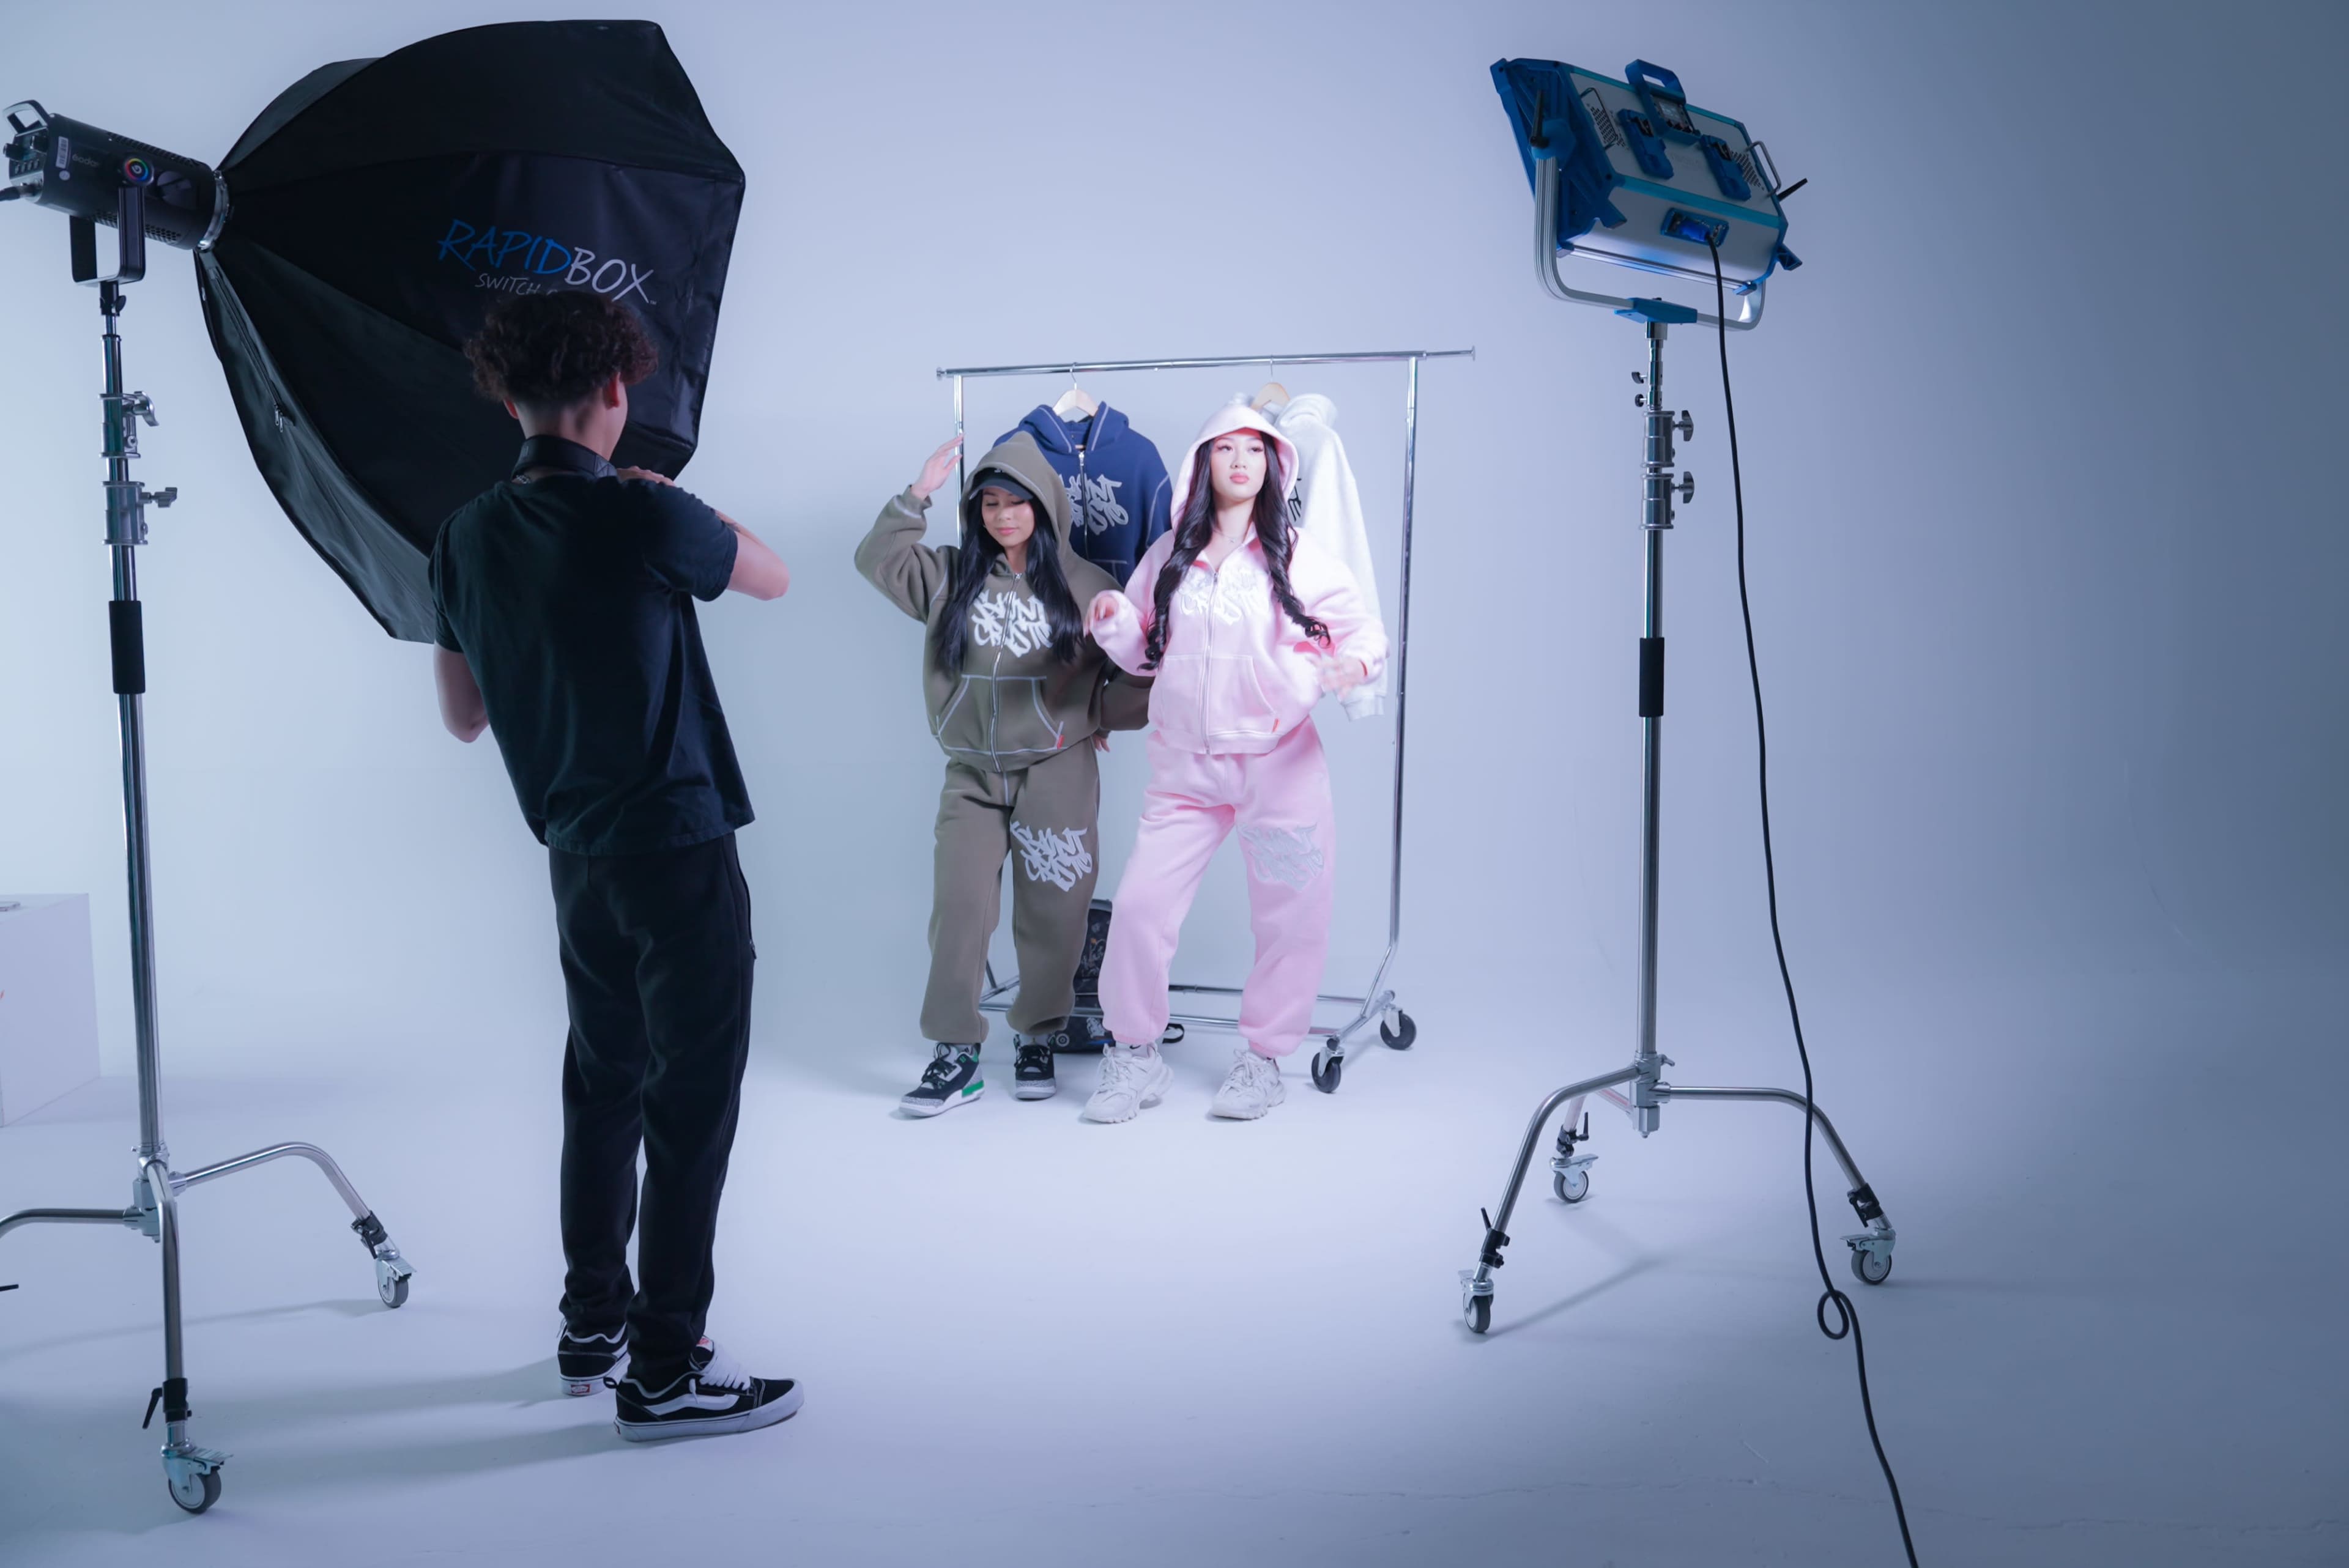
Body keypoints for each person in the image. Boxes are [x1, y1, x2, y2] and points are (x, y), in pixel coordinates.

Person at [429, 290, 800, 1441]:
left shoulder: (463, 533)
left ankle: (593, 1321)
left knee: (602, 1085)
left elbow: (463, 716)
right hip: (679, 849)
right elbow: (772, 573)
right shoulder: (642, 514)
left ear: (504, 397)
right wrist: (668, 498)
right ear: (616, 393)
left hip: (576, 856)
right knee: (690, 1104)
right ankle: (665, 1365)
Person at [1083, 402, 1386, 1122]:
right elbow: (1143, 649)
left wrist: (1352, 665)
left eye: (1255, 448)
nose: (1241, 461)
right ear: (1204, 462)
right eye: (1227, 449)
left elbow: (1363, 627)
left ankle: (1263, 1059)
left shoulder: (1298, 553)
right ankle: (1134, 1056)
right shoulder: (1171, 556)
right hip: (1184, 768)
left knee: (1292, 916)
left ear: (1274, 463)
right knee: (1138, 908)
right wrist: (1113, 622)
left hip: (1279, 762)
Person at [855, 432, 1148, 1115]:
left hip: (1056, 769)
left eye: (1017, 502)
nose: (1003, 515)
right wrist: (918, 492)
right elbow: (876, 558)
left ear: (1043, 508)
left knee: (1054, 912)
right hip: (971, 773)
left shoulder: (1086, 585)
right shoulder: (952, 573)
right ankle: (956, 1051)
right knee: (959, 907)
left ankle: (1038, 1034)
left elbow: (1128, 679)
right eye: (990, 502)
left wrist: (1100, 712)